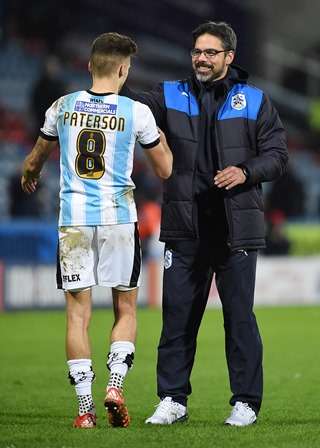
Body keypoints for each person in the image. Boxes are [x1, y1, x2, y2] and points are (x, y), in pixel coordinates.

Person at [122, 21, 288, 426]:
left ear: (229, 57)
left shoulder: (255, 100)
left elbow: (278, 155)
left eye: (211, 52)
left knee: (239, 318)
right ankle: (172, 399)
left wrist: (246, 172)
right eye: (197, 51)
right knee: (177, 316)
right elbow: (129, 104)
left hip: (236, 231)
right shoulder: (170, 95)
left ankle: (246, 402)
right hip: (184, 226)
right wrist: (113, 75)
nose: (201, 58)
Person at [21, 32, 172, 429]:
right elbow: (165, 168)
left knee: (77, 315)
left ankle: (85, 410)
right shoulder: (135, 112)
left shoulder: (63, 106)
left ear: (89, 65)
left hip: (73, 221)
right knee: (125, 307)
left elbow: (35, 159)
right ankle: (115, 386)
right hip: (119, 220)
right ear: (124, 69)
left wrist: (29, 175)